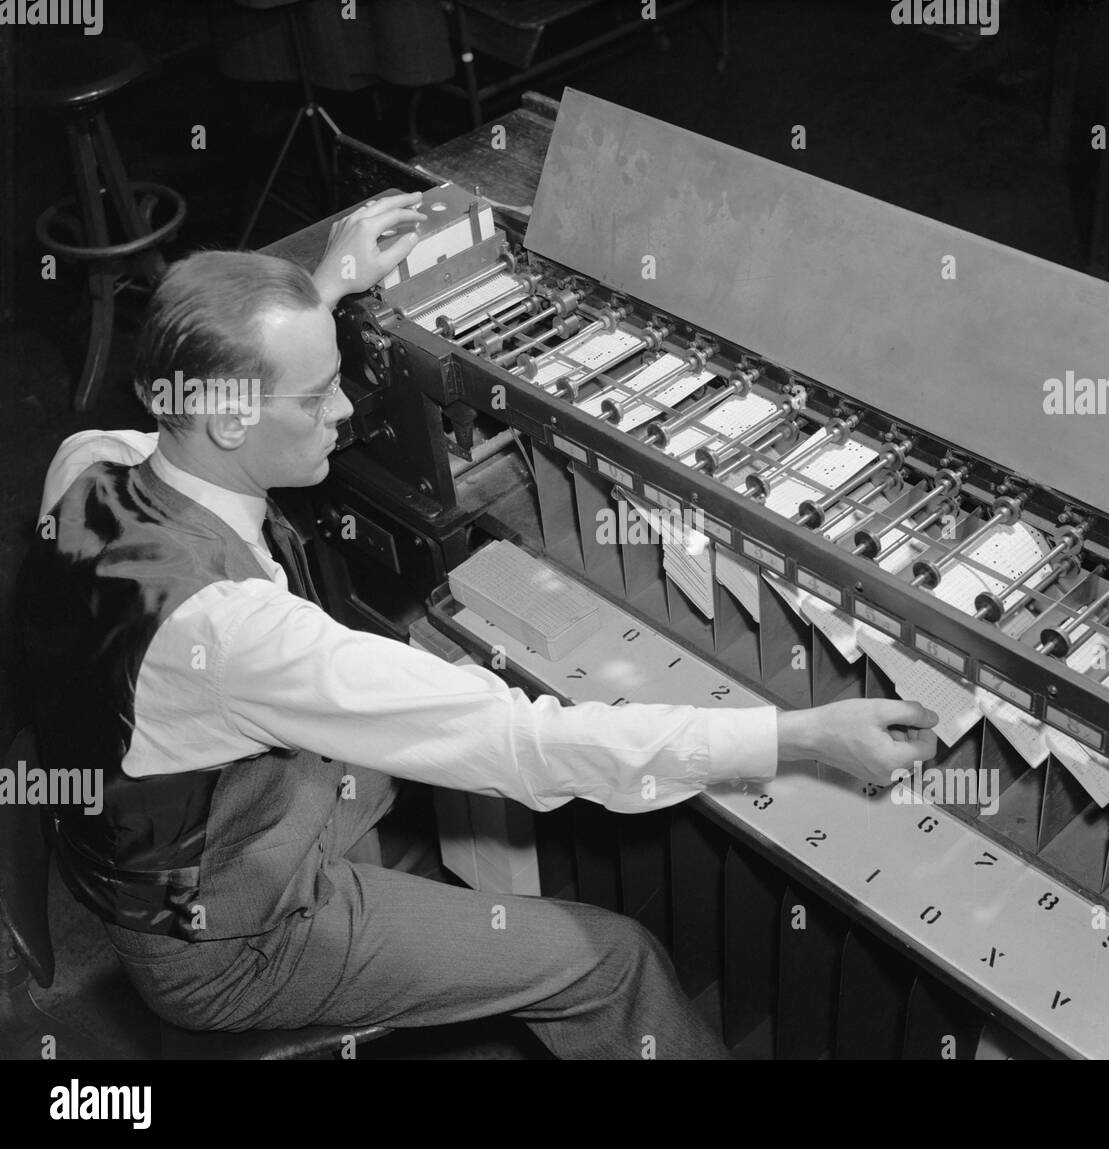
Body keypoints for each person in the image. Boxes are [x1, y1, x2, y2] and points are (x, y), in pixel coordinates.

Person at [19, 193, 939, 1060]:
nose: (344, 411)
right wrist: (797, 735)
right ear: (226, 421)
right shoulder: (237, 635)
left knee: (429, 720)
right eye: (317, 396)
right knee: (609, 958)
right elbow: (520, 743)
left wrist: (327, 281)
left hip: (148, 840)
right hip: (236, 940)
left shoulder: (92, 459)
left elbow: (204, 357)